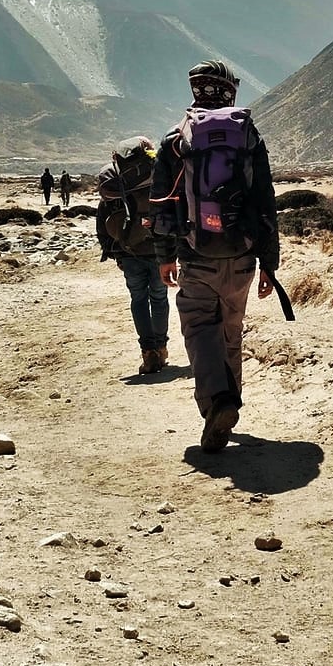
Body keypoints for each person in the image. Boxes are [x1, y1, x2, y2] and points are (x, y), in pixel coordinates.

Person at [150, 60, 280, 453]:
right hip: (241, 256)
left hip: (196, 253)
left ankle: (218, 404)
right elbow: (265, 202)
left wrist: (165, 255)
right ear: (230, 91)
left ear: (196, 91)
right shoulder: (248, 137)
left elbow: (161, 203)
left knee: (199, 329)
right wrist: (268, 264)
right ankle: (231, 401)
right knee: (230, 331)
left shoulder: (177, 139)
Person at [96, 136, 170, 375]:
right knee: (159, 298)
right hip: (159, 249)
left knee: (138, 300)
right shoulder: (157, 174)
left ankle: (148, 354)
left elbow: (104, 220)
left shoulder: (117, 181)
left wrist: (112, 250)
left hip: (129, 251)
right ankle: (162, 347)